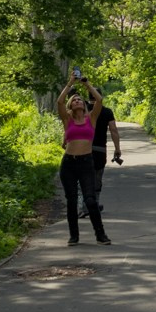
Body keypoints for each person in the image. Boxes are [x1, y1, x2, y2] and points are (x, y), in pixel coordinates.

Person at [57, 79, 110, 246]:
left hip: (87, 162)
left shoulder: (91, 118)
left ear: (84, 104)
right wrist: (71, 83)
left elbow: (99, 100)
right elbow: (59, 101)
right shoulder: (67, 120)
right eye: (75, 100)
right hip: (68, 164)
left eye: (80, 99)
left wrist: (87, 84)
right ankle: (74, 236)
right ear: (71, 106)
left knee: (90, 200)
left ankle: (100, 235)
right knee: (71, 201)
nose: (78, 100)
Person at [93, 96, 120, 168]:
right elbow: (113, 130)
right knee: (97, 177)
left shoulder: (82, 111)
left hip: (83, 149)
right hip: (100, 148)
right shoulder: (107, 112)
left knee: (84, 177)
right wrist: (117, 149)